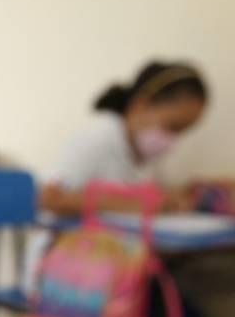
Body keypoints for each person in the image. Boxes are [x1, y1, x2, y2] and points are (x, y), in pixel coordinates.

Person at [43, 61, 208, 214]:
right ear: (140, 105)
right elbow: (48, 198)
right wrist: (131, 203)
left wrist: (176, 198)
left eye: (181, 132)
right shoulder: (99, 134)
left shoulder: (146, 154)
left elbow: (158, 196)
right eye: (172, 127)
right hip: (67, 243)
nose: (172, 140)